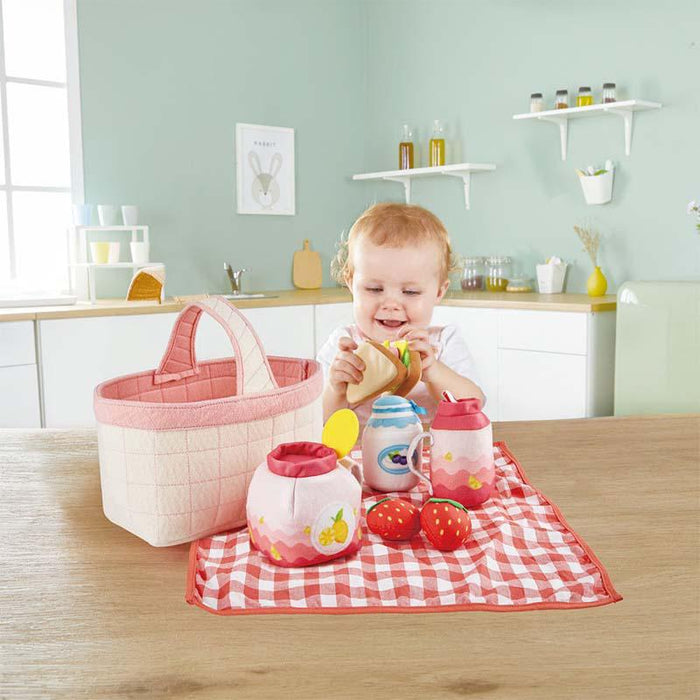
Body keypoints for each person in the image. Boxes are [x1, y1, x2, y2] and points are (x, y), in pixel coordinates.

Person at [317, 202, 484, 424]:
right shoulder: (345, 347)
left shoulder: (441, 344)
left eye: (410, 291)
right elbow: (317, 422)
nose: (391, 304)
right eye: (374, 289)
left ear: (438, 292)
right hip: (362, 456)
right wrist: (336, 390)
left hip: (432, 454)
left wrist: (434, 372)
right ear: (350, 283)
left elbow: (475, 404)